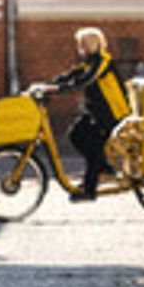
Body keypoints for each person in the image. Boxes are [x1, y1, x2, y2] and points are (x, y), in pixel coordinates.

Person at [47, 27, 130, 201]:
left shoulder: (102, 60)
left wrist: (60, 89)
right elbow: (72, 74)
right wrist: (48, 85)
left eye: (82, 43)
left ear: (92, 43)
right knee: (76, 135)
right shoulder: (88, 61)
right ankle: (103, 168)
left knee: (94, 148)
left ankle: (89, 190)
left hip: (111, 114)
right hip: (95, 112)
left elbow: (87, 79)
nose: (80, 46)